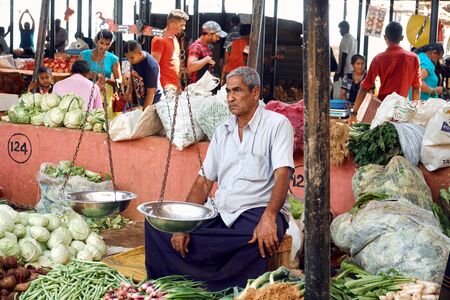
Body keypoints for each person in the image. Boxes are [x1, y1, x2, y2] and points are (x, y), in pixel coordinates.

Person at [145, 66, 294, 291]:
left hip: (257, 211)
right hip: (221, 211)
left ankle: (220, 288)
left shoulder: (277, 124)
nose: (231, 98)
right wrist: (183, 224)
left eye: (237, 91)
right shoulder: (222, 131)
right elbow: (203, 182)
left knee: (255, 239)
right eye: (227, 92)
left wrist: (270, 217)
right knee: (157, 227)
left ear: (255, 93)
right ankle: (177, 285)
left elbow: (283, 173)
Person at [349, 22, 422, 124]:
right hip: (402, 112)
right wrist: (415, 114)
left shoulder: (378, 59)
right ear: (401, 37)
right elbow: (416, 88)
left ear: (385, 37)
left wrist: (354, 113)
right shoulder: (414, 58)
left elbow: (365, 87)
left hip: (383, 110)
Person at [81, 30, 122, 118]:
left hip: (105, 93)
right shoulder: (84, 55)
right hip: (86, 90)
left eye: (107, 44)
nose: (104, 47)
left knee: (103, 119)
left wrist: (106, 79)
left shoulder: (113, 59)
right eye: (101, 43)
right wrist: (89, 75)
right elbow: (75, 74)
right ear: (96, 41)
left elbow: (119, 81)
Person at [151, 9, 189, 95]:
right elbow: (153, 66)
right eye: (182, 25)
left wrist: (178, 85)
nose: (184, 28)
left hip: (175, 86)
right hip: (165, 86)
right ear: (172, 24)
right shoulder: (159, 39)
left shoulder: (175, 39)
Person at [123, 40, 163, 108]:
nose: (129, 60)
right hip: (142, 100)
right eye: (127, 58)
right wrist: (129, 91)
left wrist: (144, 114)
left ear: (140, 53)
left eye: (131, 58)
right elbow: (132, 74)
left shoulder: (151, 66)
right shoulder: (134, 59)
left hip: (154, 102)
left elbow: (151, 93)